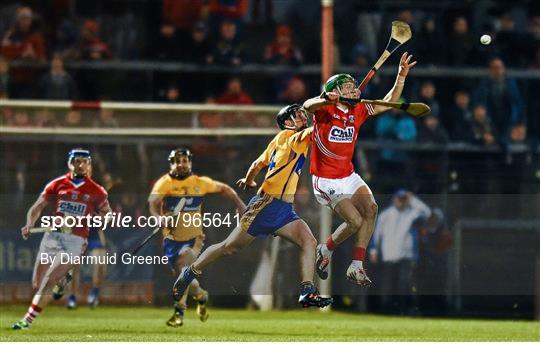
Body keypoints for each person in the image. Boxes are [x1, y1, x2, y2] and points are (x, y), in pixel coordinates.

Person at [172, 105, 333, 309]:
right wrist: (334, 114)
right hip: (266, 205)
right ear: (287, 123)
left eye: (303, 113)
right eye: (297, 115)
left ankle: (307, 292)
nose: (302, 117)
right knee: (229, 246)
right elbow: (318, 131)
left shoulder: (277, 139)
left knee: (309, 241)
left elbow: (258, 163)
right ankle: (190, 272)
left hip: (283, 209)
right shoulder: (292, 138)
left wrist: (249, 180)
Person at [303, 52, 417, 286]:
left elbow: (390, 100)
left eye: (355, 86)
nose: (355, 90)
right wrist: (326, 98)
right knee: (354, 221)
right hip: (325, 180)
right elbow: (307, 105)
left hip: (348, 174)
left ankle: (356, 265)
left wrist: (401, 76)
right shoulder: (325, 111)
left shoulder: (359, 110)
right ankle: (325, 249)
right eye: (348, 87)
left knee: (372, 209)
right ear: (335, 91)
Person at [12, 149, 111, 330]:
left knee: (49, 279)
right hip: (52, 236)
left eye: (84, 161)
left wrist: (89, 220)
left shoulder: (96, 190)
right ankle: (63, 281)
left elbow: (108, 215)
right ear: (69, 163)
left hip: (76, 240)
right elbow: (37, 207)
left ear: (89, 165)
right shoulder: (57, 184)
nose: (80, 165)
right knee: (37, 282)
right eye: (76, 161)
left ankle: (27, 320)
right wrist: (29, 224)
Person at [148, 148, 246, 327]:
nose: (181, 164)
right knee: (183, 275)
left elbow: (224, 189)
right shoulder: (164, 184)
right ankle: (201, 295)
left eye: (185, 160)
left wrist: (239, 204)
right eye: (178, 161)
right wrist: (158, 218)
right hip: (171, 239)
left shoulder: (200, 183)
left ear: (190, 162)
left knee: (183, 268)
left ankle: (179, 313)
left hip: (194, 239)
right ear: (171, 163)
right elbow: (152, 204)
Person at [369, 190, 431, 314]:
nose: (401, 202)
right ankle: (386, 308)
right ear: (394, 199)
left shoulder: (412, 213)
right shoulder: (385, 215)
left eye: (404, 199)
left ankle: (404, 309)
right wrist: (374, 249)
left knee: (405, 283)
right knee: (388, 284)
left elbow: (427, 213)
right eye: (399, 199)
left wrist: (413, 199)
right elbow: (377, 233)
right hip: (389, 255)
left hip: (407, 255)